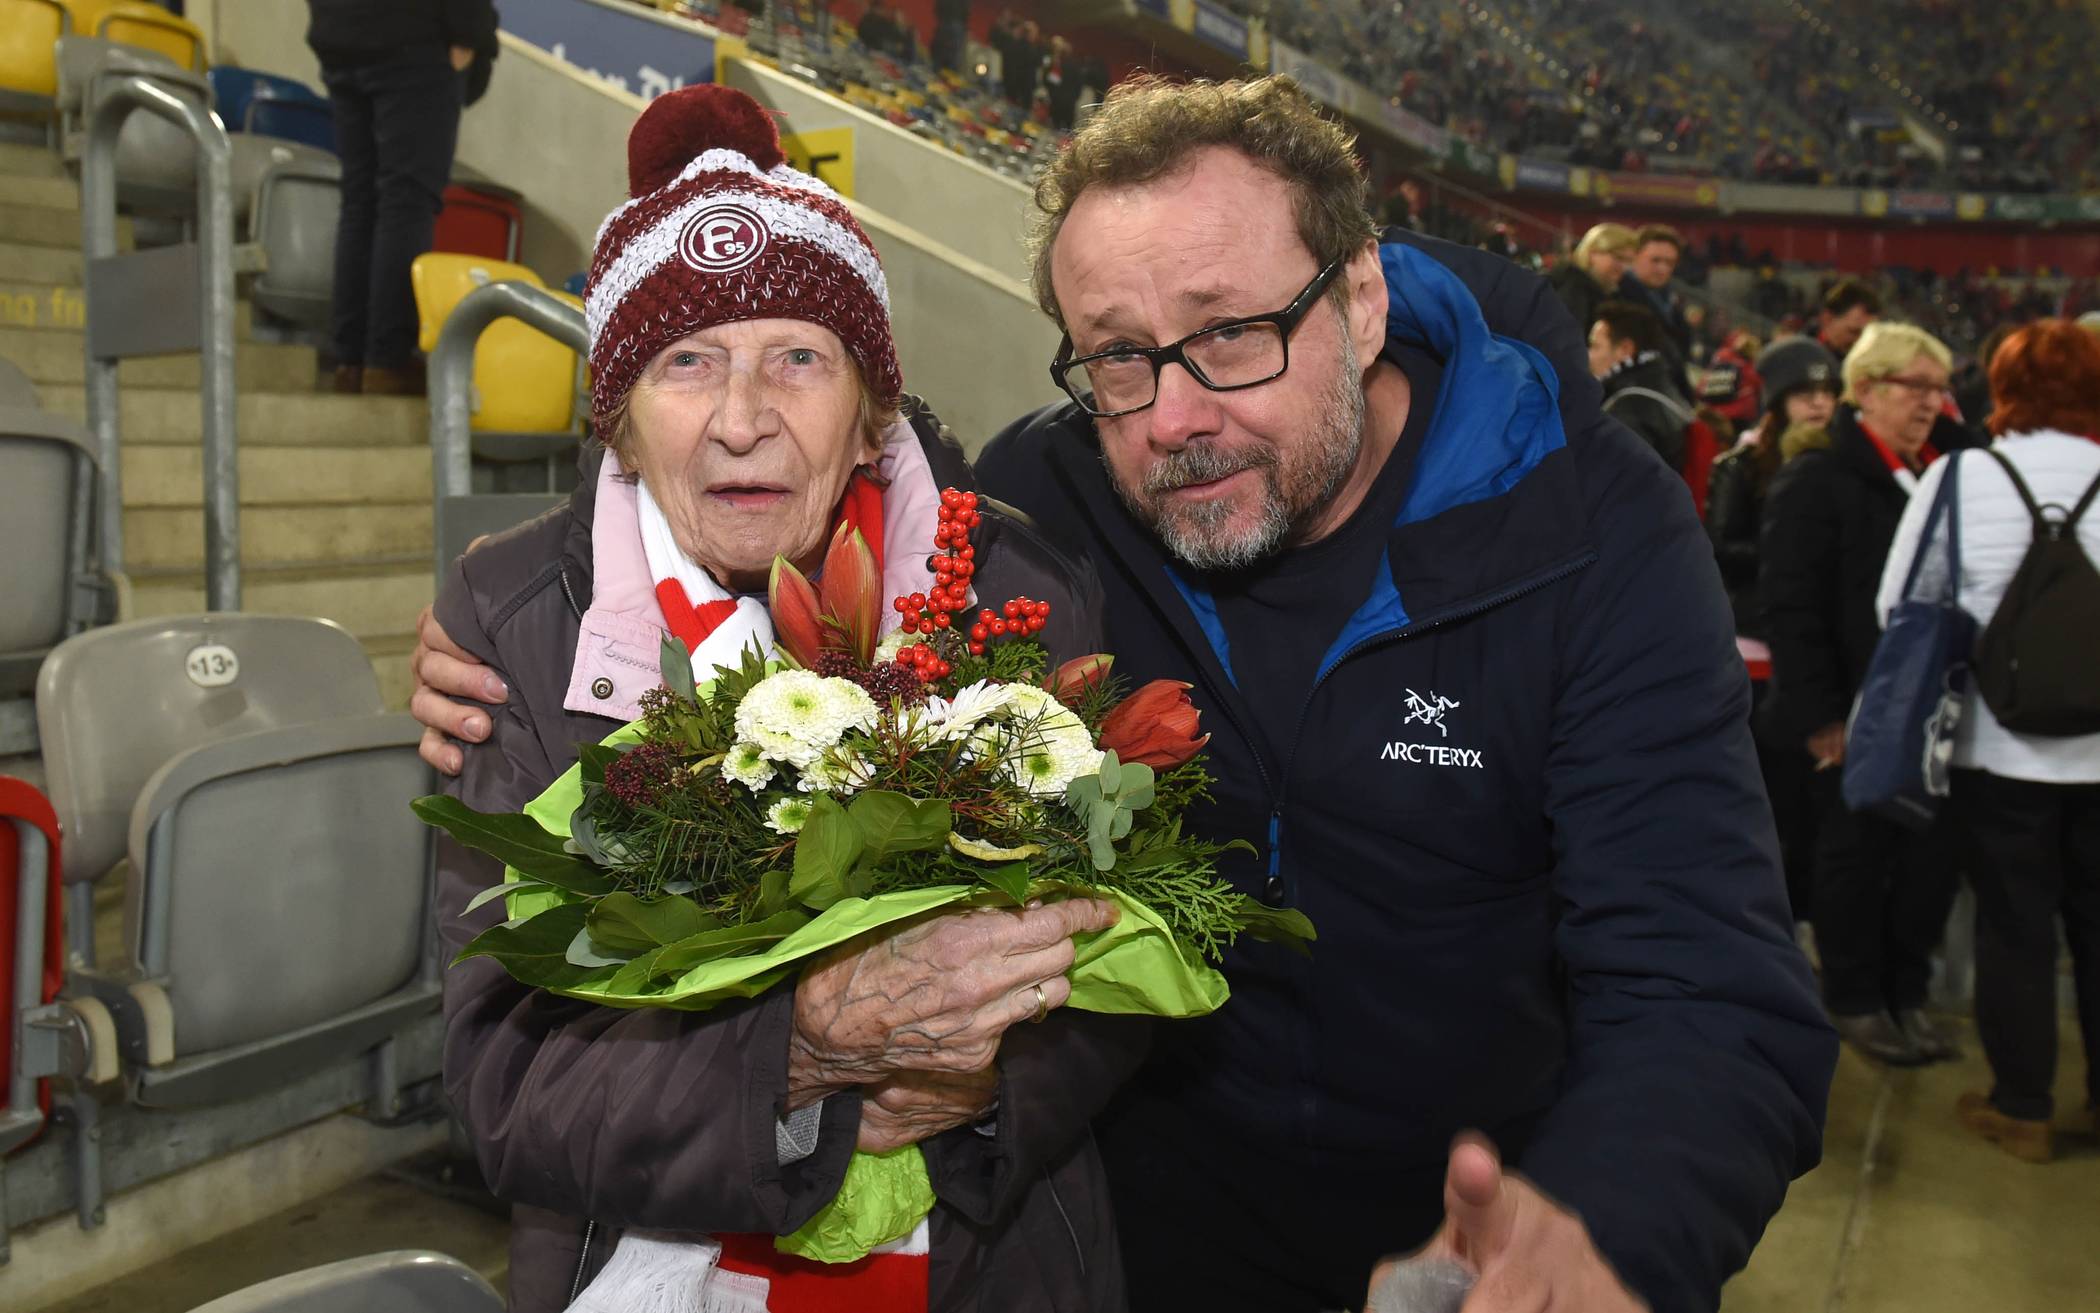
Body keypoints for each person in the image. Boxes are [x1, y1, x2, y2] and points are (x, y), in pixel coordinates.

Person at [413, 76, 1836, 1313]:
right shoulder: (1050, 506)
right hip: (1149, 1242)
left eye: (1231, 335)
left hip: (1473, 1230)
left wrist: (1605, 1237)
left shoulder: (1590, 532)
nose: (1173, 416)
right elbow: (850, 482)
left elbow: (1707, 987)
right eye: (1117, 357)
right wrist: (521, 616)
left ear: (1357, 297)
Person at [430, 86, 1136, 1313]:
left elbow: (1114, 974)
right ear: (624, 426)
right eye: (686, 362)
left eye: (798, 359)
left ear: (871, 415)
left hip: (987, 1258)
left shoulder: (1011, 587)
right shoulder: (510, 625)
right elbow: (502, 1071)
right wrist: (801, 1059)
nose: (742, 419)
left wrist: (981, 1091)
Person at [1875, 319, 2100, 1164]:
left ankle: (2024, 1104)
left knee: (2016, 923)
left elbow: (1898, 609)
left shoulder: (1967, 475)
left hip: (1997, 745)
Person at [1760, 321, 1963, 1067]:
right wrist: (1821, 718)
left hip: (1926, 712)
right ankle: (1853, 996)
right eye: (1918, 387)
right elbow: (1792, 606)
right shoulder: (1817, 476)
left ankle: (1905, 991)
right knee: (1851, 861)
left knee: (1925, 863)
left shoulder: (1942, 472)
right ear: (1868, 388)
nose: (1933, 404)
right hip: (1848, 715)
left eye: (1940, 390)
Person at [1707, 337, 1841, 921]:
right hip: (1754, 650)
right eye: (1805, 395)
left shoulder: (1840, 464)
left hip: (1814, 648)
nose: (1818, 406)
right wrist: (1785, 552)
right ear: (1779, 401)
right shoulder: (1740, 464)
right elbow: (1718, 545)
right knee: (1764, 797)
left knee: (1813, 805)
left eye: (1827, 394)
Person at [305, 0, 496, 396]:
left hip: (342, 32)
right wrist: (467, 31)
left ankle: (350, 359)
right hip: (414, 37)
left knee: (361, 200)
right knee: (406, 202)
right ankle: (386, 360)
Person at [1589, 299, 1693, 472]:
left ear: (1625, 349)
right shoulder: (1662, 390)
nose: (1588, 355)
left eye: (1595, 346)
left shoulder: (1629, 408)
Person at [1619, 222, 1693, 369]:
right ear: (1634, 255)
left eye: (1670, 263)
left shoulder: (1669, 300)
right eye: (1655, 260)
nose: (1662, 269)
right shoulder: (1617, 297)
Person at [1545, 221, 1636, 339]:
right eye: (1618, 258)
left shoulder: (1603, 293)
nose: (1623, 267)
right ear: (1593, 253)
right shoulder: (1572, 289)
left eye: (1628, 261)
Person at [1816, 278, 1882, 361]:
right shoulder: (1800, 358)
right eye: (1854, 332)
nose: (1861, 341)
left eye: (1868, 335)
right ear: (1827, 319)